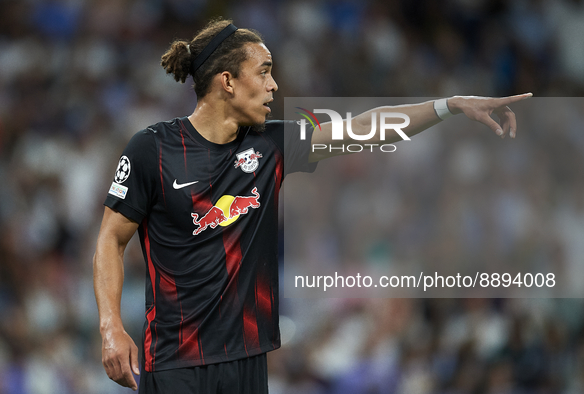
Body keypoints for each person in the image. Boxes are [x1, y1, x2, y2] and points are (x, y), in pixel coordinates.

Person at [93, 18, 531, 393]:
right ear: (227, 81)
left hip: (247, 360)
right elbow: (111, 240)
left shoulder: (272, 144)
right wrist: (111, 326)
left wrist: (447, 106)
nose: (274, 85)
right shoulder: (152, 149)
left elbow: (365, 129)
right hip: (173, 362)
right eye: (263, 72)